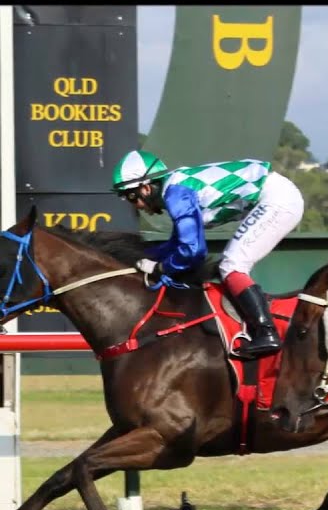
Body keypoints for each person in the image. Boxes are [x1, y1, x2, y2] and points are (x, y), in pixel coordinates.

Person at [111, 149, 305, 359]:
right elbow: (177, 244)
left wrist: (160, 268)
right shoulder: (176, 189)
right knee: (228, 265)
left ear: (146, 188)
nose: (136, 206)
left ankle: (266, 332)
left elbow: (193, 251)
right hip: (276, 196)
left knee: (232, 265)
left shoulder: (176, 194)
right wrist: (139, 258)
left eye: (131, 197)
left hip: (277, 200)